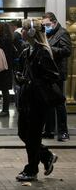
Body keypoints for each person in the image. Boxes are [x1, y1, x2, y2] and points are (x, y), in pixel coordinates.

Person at [15, 19, 59, 182]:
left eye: (25, 29)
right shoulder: (27, 51)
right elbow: (22, 71)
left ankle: (31, 170)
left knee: (33, 136)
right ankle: (46, 156)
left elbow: (54, 75)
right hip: (27, 100)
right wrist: (21, 78)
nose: (22, 32)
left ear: (33, 32)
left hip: (38, 101)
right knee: (23, 133)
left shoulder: (43, 52)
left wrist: (33, 81)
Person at [41, 12, 71, 141]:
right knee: (48, 103)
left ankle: (63, 132)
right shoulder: (48, 33)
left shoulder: (62, 33)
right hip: (48, 73)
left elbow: (67, 51)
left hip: (57, 73)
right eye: (44, 25)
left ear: (54, 22)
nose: (46, 27)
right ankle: (49, 130)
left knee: (59, 103)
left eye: (47, 24)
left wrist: (50, 49)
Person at [0, 23, 15, 117]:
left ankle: (5, 110)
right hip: (7, 67)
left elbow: (0, 52)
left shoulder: (2, 39)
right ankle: (5, 109)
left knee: (4, 89)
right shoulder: (9, 39)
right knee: (5, 89)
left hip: (3, 68)